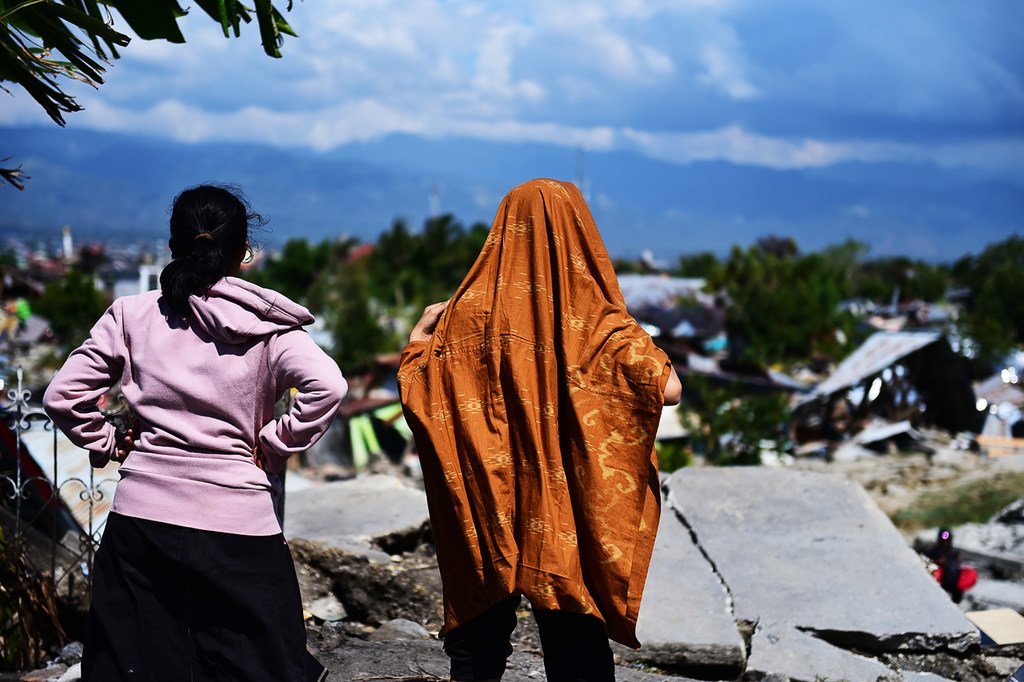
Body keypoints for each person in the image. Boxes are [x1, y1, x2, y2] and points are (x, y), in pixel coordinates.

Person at [43, 184, 347, 681]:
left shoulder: (132, 315)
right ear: (242, 253)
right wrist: (271, 446)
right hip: (240, 529)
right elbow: (328, 386)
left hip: (141, 526)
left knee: (138, 666)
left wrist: (107, 441)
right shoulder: (270, 327)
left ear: (172, 245)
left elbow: (62, 396)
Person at [398, 178, 682, 682]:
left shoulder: (462, 316)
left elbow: (422, 395)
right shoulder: (599, 325)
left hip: (488, 501)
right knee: (575, 631)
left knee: (478, 637)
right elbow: (668, 389)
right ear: (581, 234)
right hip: (561, 514)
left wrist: (418, 342)